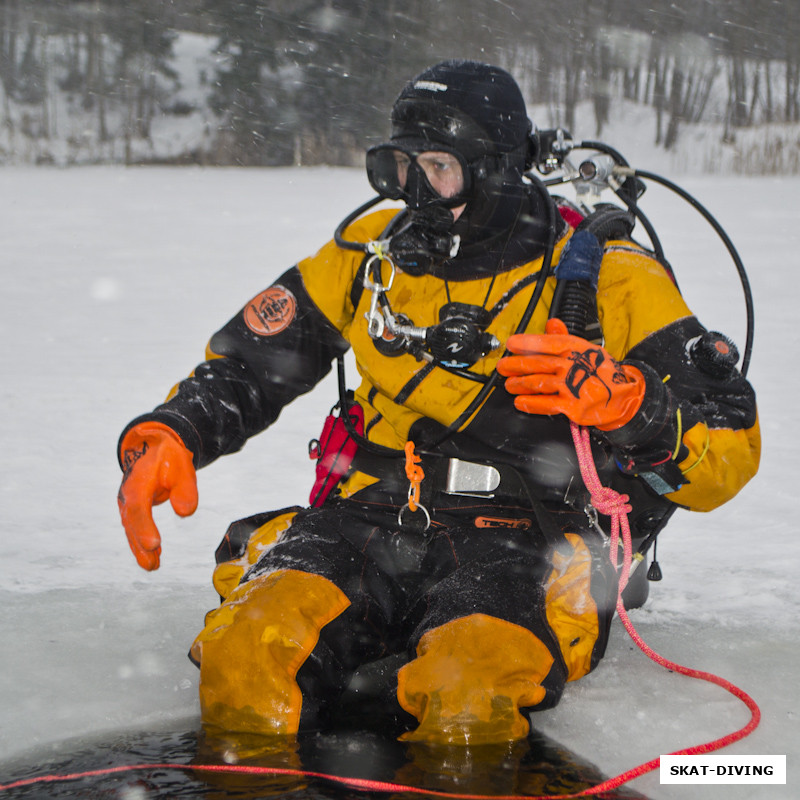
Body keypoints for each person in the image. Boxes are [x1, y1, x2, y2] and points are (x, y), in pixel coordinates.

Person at [116, 59, 760, 745]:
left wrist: (637, 409)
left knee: (470, 694)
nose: (415, 194)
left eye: (439, 168)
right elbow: (249, 363)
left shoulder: (612, 277)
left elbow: (728, 448)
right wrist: (175, 430)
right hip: (364, 518)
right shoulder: (368, 261)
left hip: (526, 537)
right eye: (399, 169)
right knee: (246, 654)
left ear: (499, 170)